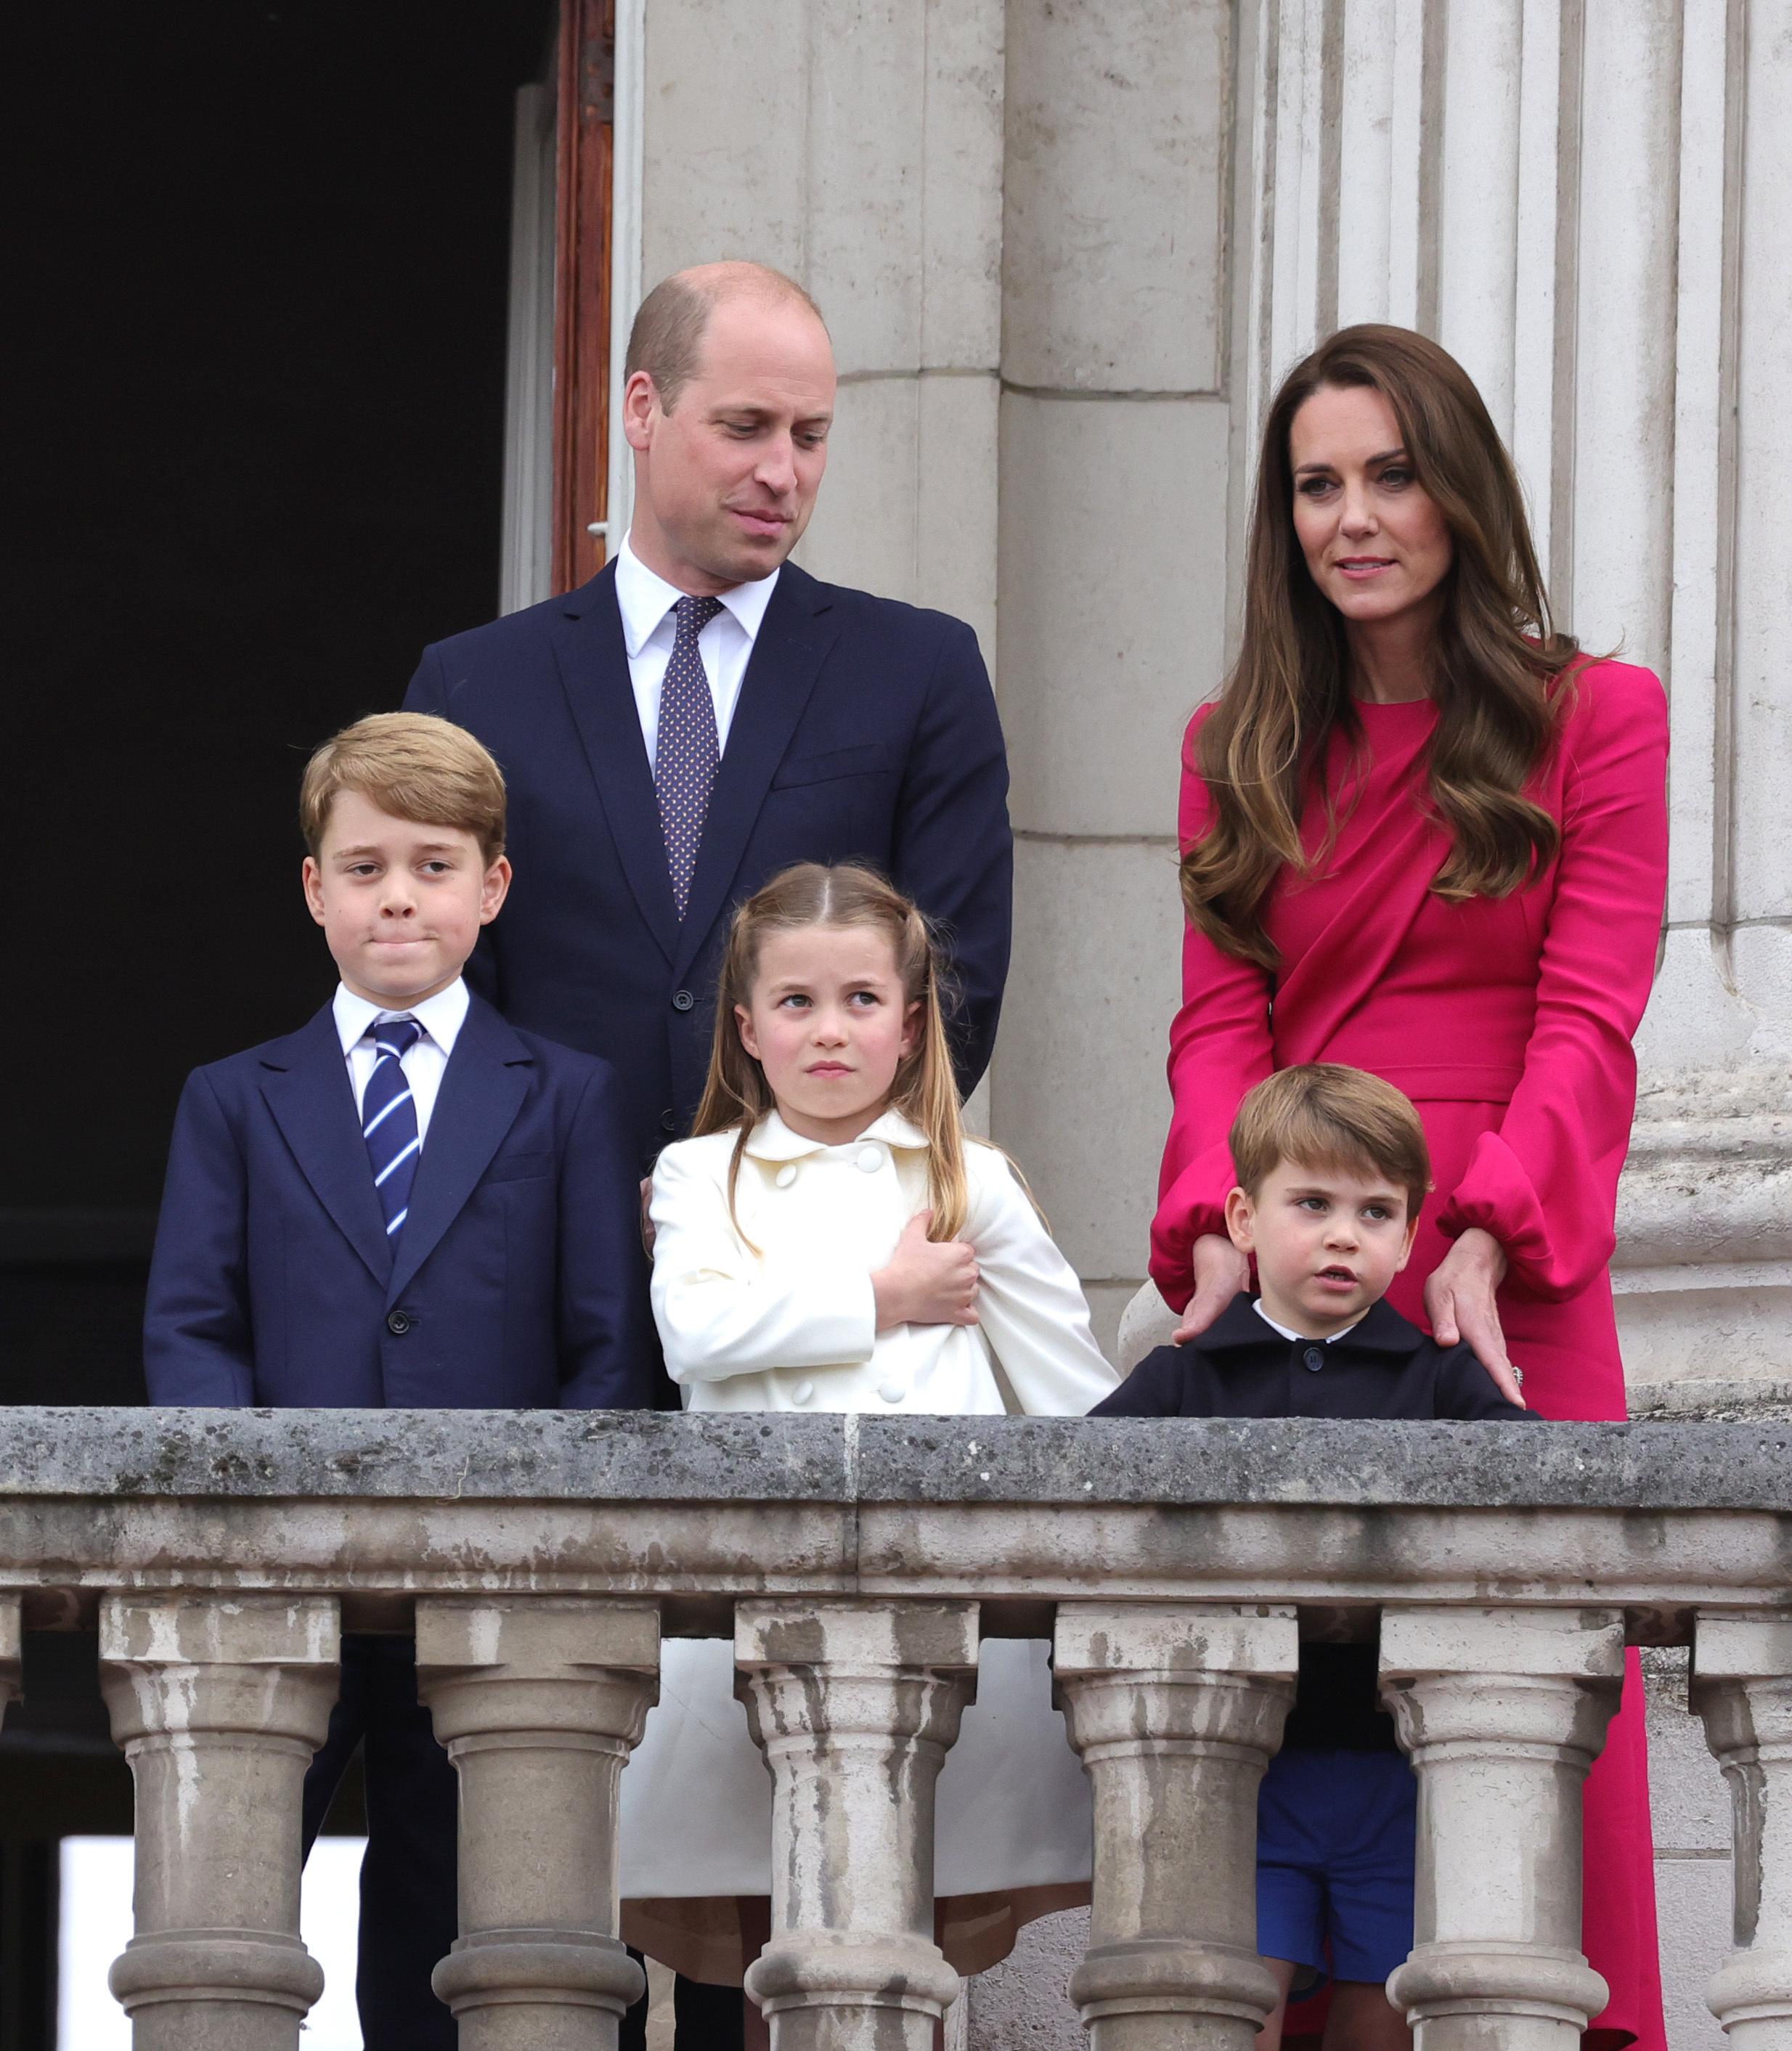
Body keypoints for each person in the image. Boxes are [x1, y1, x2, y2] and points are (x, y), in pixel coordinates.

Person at [1150, 325, 1668, 2051]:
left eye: (1388, 473)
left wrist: (1485, 1227)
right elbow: (1217, 1015)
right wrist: (1224, 1223)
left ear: (1459, 486)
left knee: (1526, 1712)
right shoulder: (1233, 742)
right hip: (1294, 1251)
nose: (1352, 515)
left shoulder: (1597, 715)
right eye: (1315, 483)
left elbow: (1590, 1007)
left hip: (1501, 1270)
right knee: (1295, 1719)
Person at [144, 711, 653, 2050]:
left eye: (433, 865)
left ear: (492, 886)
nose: (397, 897)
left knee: (448, 1934)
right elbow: (193, 1330)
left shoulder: (568, 1096)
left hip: (486, 1590)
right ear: (314, 889)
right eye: (363, 867)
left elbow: (605, 1347)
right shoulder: (233, 1098)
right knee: (226, 1912)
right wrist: (245, 1526)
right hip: (286, 1582)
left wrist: (542, 1541)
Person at [624, 861, 1118, 2048]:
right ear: (745, 1030)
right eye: (795, 1003)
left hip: (930, 1612)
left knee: (910, 1951)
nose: (829, 1029)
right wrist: (884, 1296)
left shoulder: (967, 1183)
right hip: (747, 1614)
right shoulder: (703, 1178)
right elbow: (696, 1332)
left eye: (859, 999)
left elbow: (1077, 1407)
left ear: (910, 1025)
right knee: (764, 1953)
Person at [403, 261, 1012, 1179]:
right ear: (642, 409)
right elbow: (430, 981)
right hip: (541, 1259)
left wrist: (791, 1193)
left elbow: (952, 983)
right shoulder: (473, 685)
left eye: (810, 436)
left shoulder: (919, 670)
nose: (783, 471)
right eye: (745, 427)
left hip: (814, 1261)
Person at [1099, 1065, 1534, 2051]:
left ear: (1411, 1235)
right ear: (1244, 1220)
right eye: (1314, 1203)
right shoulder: (1188, 1371)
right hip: (1240, 1760)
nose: (1346, 1233)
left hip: (1396, 1758)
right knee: (1231, 2000)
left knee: (1383, 2011)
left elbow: (1539, 1490)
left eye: (1377, 1210)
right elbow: (1074, 1486)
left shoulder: (1436, 1375)